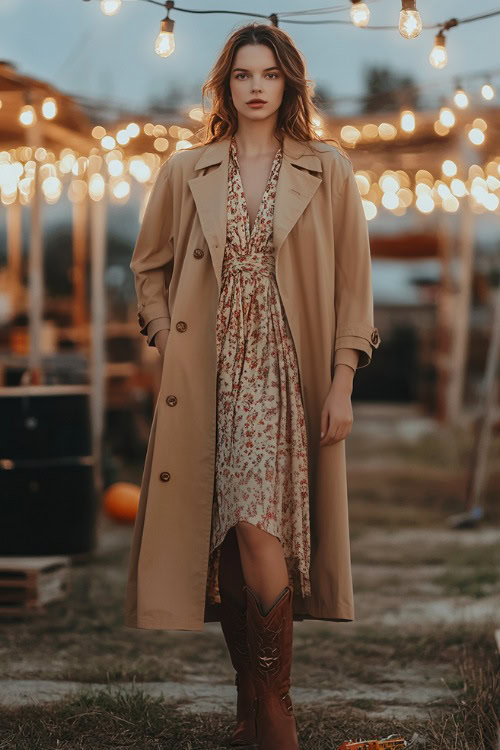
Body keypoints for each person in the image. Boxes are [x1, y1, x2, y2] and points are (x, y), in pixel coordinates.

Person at [126, 21, 381, 750]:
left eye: (269, 74)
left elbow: (353, 288)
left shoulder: (327, 168)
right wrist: (163, 333)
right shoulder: (189, 169)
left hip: (286, 372)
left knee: (260, 533)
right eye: (242, 75)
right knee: (232, 546)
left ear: (289, 83)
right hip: (209, 372)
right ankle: (250, 709)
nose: (256, 86)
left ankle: (277, 714)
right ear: (226, 86)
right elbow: (149, 267)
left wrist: (342, 382)